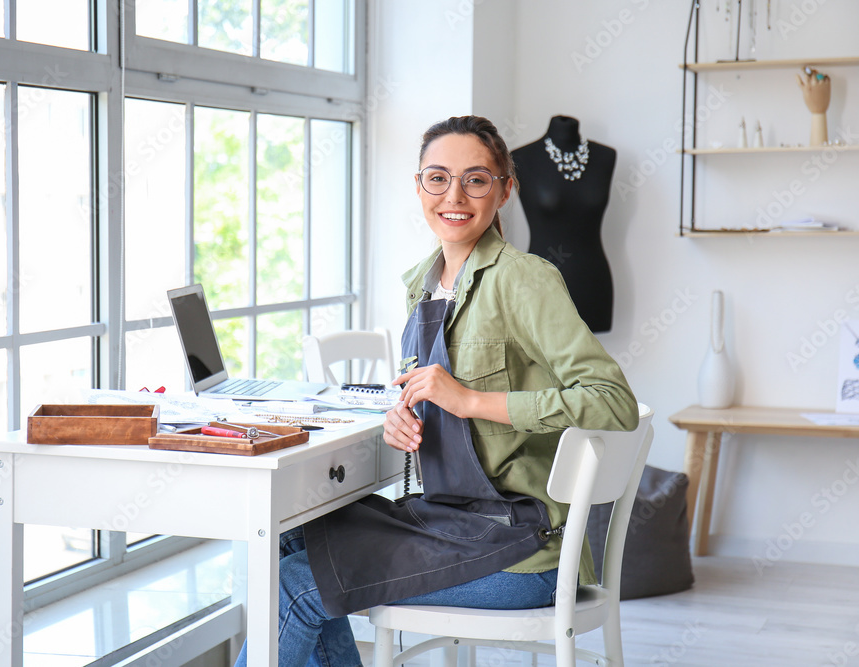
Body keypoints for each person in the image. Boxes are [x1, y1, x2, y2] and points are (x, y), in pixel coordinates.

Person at [234, 115, 638, 666]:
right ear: (419, 186)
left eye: (476, 179)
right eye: (437, 178)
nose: (455, 195)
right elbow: (437, 397)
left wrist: (469, 401)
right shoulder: (421, 286)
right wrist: (404, 415)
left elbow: (614, 402)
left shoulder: (523, 279)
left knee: (298, 586)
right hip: (453, 520)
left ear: (505, 190)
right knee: (291, 539)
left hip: (519, 550)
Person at [511, 115, 617, 332]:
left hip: (592, 280)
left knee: (589, 361)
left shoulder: (604, 156)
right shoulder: (522, 157)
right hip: (541, 280)